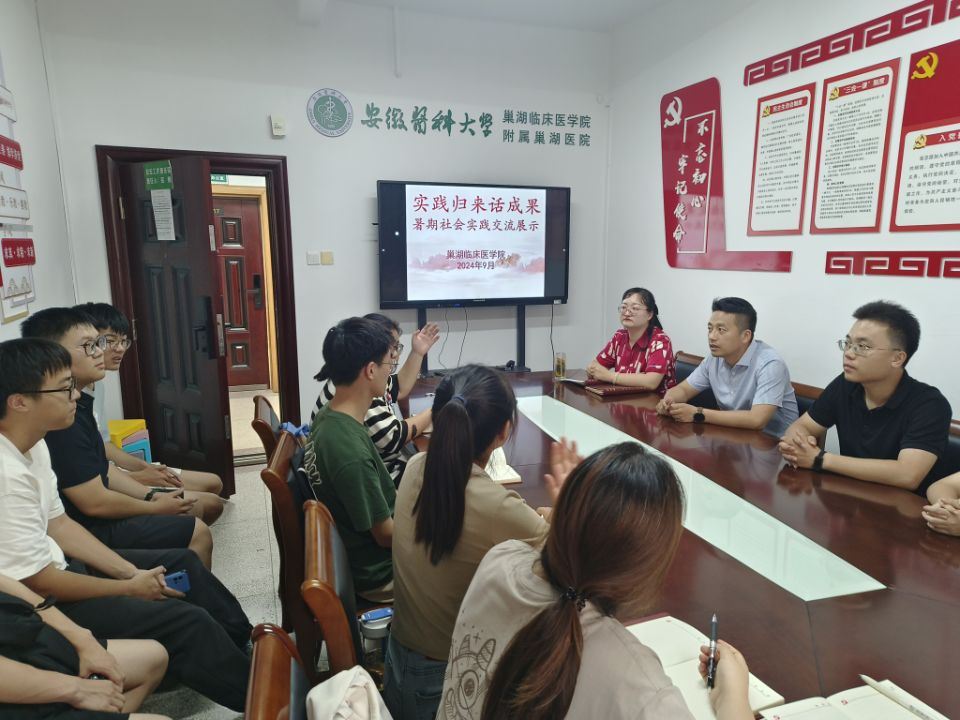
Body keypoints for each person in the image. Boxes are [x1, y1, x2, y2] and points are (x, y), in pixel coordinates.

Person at [0, 338, 251, 711]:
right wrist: (128, 587)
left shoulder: (34, 444)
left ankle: (246, 644)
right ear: (19, 402)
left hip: (61, 570)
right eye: (65, 388)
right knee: (186, 621)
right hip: (40, 607)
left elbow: (60, 525)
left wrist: (130, 572)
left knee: (182, 565)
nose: (75, 396)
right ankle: (270, 701)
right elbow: (39, 582)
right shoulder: (6, 474)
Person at [437, 442, 753, 720]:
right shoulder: (636, 686)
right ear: (647, 569)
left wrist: (575, 520)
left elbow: (548, 563)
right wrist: (733, 698)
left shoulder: (500, 561)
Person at [384, 365, 555, 720]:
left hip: (398, 665)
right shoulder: (496, 507)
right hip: (445, 684)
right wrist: (567, 504)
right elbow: (566, 556)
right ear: (503, 432)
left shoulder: (417, 466)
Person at [21, 308, 213, 568]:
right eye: (92, 345)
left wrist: (150, 494)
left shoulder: (79, 401)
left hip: (89, 518)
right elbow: (93, 503)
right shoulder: (59, 421)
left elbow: (101, 467)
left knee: (201, 502)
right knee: (196, 523)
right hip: (90, 527)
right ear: (52, 355)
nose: (102, 352)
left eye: (103, 343)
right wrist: (152, 503)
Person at [74, 302, 224, 525]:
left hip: (113, 473)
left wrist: (146, 467)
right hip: (106, 482)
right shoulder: (71, 400)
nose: (119, 349)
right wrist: (137, 478)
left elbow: (103, 444)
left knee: (214, 483)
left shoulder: (97, 384)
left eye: (123, 341)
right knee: (207, 504)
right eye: (110, 341)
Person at [779, 301, 952, 494]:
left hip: (903, 506)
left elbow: (907, 475)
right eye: (848, 343)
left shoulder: (930, 405)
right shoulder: (846, 384)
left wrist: (820, 459)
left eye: (862, 346)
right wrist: (798, 446)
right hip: (850, 496)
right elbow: (802, 426)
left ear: (897, 358)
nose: (849, 353)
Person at [303, 317, 397, 602]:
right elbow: (386, 535)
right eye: (389, 364)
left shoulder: (329, 416)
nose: (390, 371)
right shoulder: (349, 452)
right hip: (381, 573)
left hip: (362, 555)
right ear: (370, 370)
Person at [0, 572, 169, 720]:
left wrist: (84, 640)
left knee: (154, 658)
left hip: (20, 637)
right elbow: (43, 581)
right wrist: (77, 690)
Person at [311, 314, 439, 485]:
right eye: (392, 349)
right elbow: (393, 438)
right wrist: (436, 409)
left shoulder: (350, 379)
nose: (395, 356)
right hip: (386, 478)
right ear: (371, 368)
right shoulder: (358, 393)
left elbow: (398, 387)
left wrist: (417, 353)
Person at [656, 297, 799, 437]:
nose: (712, 336)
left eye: (721, 330)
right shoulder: (714, 359)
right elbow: (684, 390)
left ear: (745, 336)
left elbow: (757, 420)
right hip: (734, 435)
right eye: (710, 328)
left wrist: (698, 413)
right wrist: (669, 401)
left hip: (774, 442)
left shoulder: (770, 364)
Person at [587, 288, 675, 395]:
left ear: (650, 314)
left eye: (635, 308)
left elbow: (651, 382)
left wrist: (609, 376)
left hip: (654, 401)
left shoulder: (660, 341)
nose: (627, 312)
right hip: (623, 398)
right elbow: (596, 366)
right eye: (624, 307)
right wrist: (594, 370)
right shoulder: (619, 337)